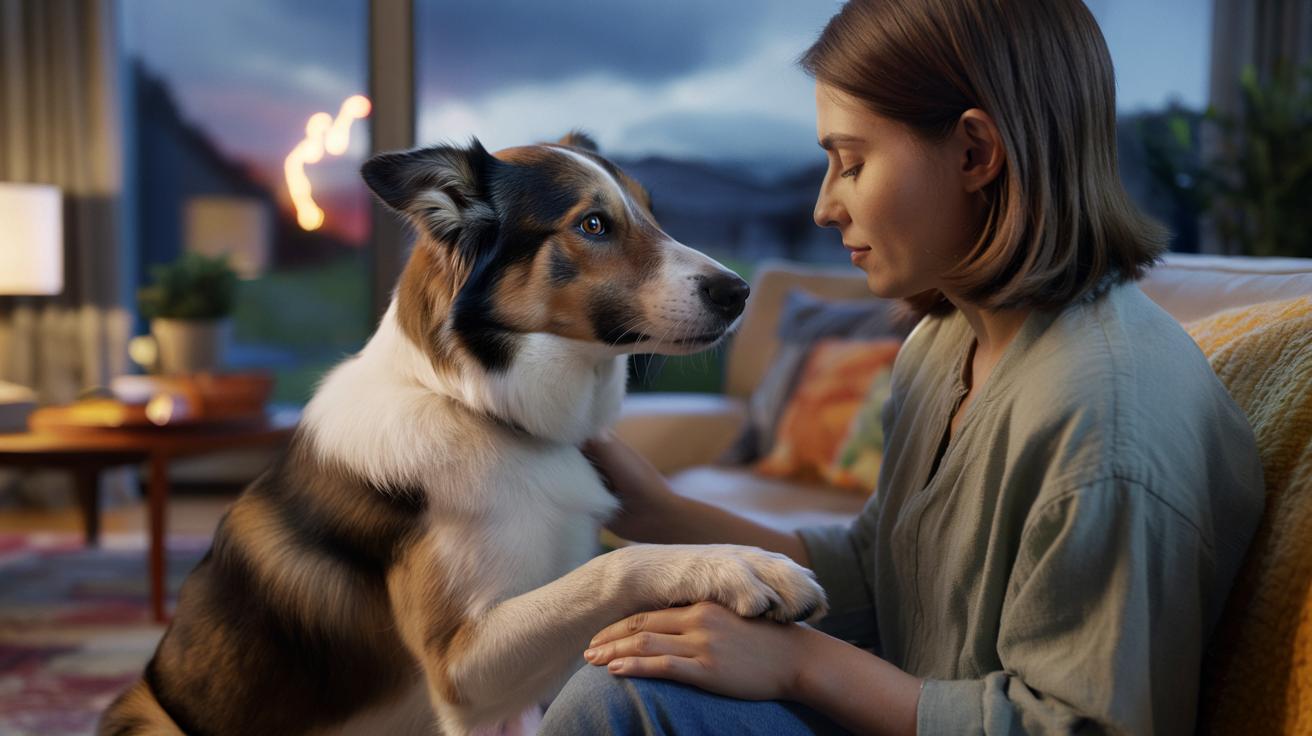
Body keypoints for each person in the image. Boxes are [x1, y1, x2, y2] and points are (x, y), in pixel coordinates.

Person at [538, 0, 1265, 733]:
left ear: (975, 154)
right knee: (605, 644)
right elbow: (882, 570)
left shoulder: (1105, 420)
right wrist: (657, 510)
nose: (825, 205)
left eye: (851, 162)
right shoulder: (944, 344)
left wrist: (801, 664)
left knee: (622, 697)